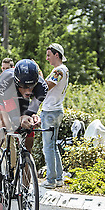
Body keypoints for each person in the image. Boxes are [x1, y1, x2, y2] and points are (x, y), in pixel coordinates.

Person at [0, 59, 48, 193]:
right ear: (17, 82)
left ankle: (25, 193)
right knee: (4, 125)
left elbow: (32, 110)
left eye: (31, 86)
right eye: (24, 87)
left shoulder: (42, 87)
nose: (28, 90)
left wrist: (32, 117)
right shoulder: (7, 82)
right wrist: (20, 119)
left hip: (22, 104)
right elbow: (12, 117)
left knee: (29, 141)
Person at [40, 43, 69, 189]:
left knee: (48, 147)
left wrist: (38, 78)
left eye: (49, 55)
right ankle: (58, 178)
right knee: (53, 146)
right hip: (57, 110)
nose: (47, 58)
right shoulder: (63, 70)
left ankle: (51, 180)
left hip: (50, 111)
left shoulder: (59, 70)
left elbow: (46, 87)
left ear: (56, 55)